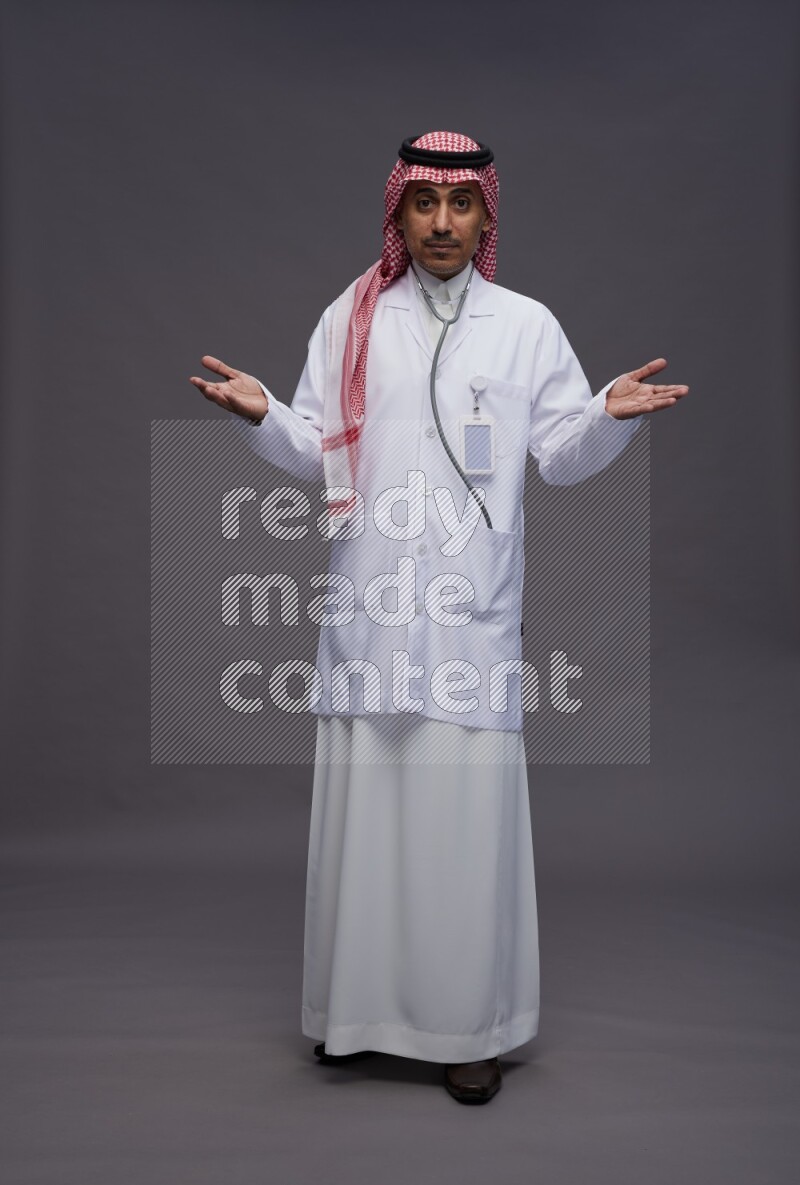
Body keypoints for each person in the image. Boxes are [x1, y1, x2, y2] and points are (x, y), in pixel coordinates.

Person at [189, 131, 688, 1104]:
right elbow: (313, 449)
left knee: (462, 831)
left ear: (487, 216)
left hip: (467, 618)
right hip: (372, 607)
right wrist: (261, 416)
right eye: (424, 205)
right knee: (366, 823)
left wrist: (606, 417)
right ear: (398, 214)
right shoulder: (350, 319)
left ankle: (469, 1030)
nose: (443, 224)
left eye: (461, 206)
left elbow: (559, 452)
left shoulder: (524, 326)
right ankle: (351, 1017)